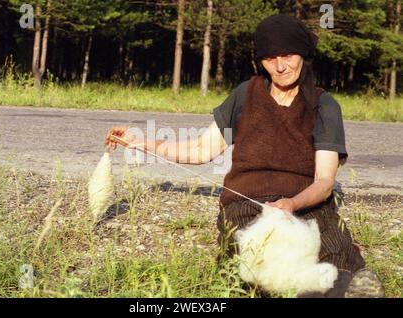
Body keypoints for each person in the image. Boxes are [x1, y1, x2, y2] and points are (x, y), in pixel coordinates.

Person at [105, 14, 384, 298]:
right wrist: (140, 141)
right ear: (260, 60)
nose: (279, 66)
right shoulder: (245, 95)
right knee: (256, 267)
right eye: (270, 58)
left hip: (306, 203)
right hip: (245, 205)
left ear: (303, 54)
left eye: (287, 55)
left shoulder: (324, 106)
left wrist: (292, 203)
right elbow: (202, 149)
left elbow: (324, 181)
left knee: (333, 258)